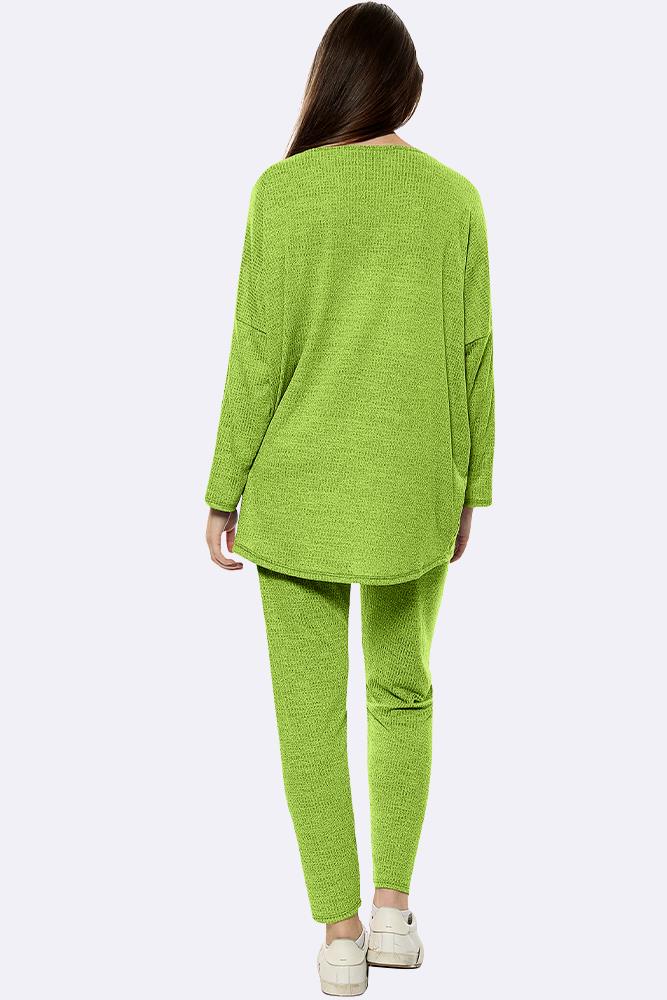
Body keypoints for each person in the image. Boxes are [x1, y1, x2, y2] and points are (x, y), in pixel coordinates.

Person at [204, 3, 494, 994]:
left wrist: (224, 487)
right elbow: (475, 354)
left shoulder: (282, 193)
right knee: (403, 690)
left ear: (329, 81)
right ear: (406, 87)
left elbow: (256, 354)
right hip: (415, 486)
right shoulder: (454, 200)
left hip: (295, 490)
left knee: (308, 715)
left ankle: (338, 935)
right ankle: (393, 914)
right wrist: (472, 485)